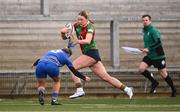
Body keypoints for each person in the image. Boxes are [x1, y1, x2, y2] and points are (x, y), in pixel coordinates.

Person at [60, 10, 133, 99]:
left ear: (87, 19)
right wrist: (62, 32)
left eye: (81, 19)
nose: (79, 21)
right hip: (89, 54)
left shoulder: (90, 27)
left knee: (72, 67)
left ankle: (79, 90)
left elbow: (87, 40)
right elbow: (65, 37)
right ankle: (127, 89)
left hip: (91, 53)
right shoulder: (76, 25)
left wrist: (76, 41)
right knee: (106, 77)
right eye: (78, 19)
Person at [139, 14, 177, 97]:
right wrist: (145, 49)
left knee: (163, 73)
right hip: (150, 56)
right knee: (141, 68)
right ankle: (154, 82)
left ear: (150, 21)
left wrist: (149, 48)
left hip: (158, 56)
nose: (144, 22)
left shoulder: (153, 30)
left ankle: (174, 89)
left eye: (146, 20)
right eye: (143, 20)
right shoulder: (145, 31)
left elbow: (158, 42)